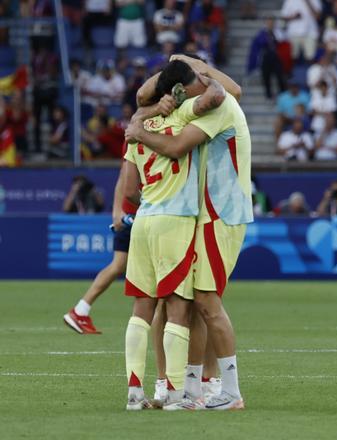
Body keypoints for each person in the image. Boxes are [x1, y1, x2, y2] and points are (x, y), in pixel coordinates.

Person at [126, 54, 250, 411]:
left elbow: (181, 140)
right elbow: (141, 100)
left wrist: (194, 65)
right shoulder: (186, 107)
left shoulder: (218, 103)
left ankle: (227, 390)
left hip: (219, 213)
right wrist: (154, 107)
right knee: (190, 303)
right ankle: (188, 388)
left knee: (206, 302)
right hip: (200, 213)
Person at [63, 160, 136, 334]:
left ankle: (80, 310)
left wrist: (117, 211)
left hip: (135, 215)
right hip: (136, 216)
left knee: (119, 265)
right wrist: (117, 211)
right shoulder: (137, 137)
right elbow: (124, 176)